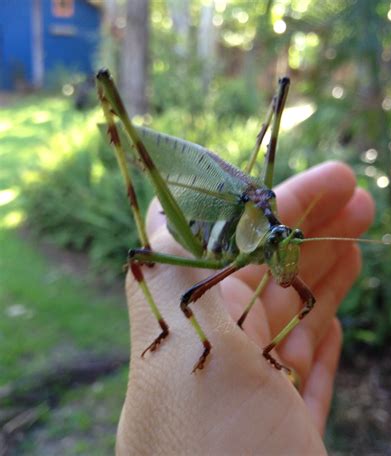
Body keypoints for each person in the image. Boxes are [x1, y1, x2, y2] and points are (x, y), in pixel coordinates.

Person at [116, 161, 374, 455]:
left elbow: (300, 298)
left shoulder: (269, 239)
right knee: (148, 265)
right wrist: (204, 344)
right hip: (194, 233)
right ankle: (164, 328)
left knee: (309, 299)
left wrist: (266, 350)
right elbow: (185, 301)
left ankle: (262, 345)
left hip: (238, 223)